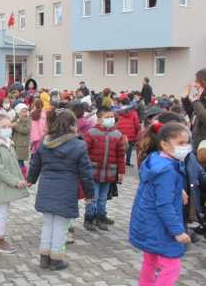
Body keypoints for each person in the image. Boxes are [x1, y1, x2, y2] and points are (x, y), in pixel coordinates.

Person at [27, 109, 94, 271]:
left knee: (48, 224)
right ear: (72, 125)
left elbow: (35, 163)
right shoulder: (79, 145)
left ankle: (44, 258)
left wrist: (30, 179)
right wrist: (89, 193)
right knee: (61, 227)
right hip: (66, 190)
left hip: (47, 188)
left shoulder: (45, 141)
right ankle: (56, 259)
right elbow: (86, 173)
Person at [129, 122, 192, 285]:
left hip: (148, 223)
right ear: (164, 144)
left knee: (150, 262)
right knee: (171, 267)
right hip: (161, 228)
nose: (186, 147)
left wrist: (177, 190)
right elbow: (164, 205)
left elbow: (158, 189)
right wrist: (177, 231)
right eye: (181, 143)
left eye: (187, 143)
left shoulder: (156, 159)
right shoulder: (168, 170)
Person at [0, 114, 29, 254]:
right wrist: (15, 181)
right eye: (3, 127)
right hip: (0, 183)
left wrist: (21, 178)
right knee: (2, 211)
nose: (7, 129)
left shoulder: (8, 143)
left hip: (6, 183)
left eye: (9, 126)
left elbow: (13, 165)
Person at [82, 109, 127, 231]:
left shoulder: (117, 134)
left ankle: (100, 217)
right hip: (93, 172)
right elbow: (84, 153)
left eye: (112, 117)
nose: (110, 119)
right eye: (107, 117)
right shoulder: (91, 133)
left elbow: (120, 155)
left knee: (103, 197)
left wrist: (121, 171)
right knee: (93, 197)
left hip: (109, 172)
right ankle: (89, 218)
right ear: (99, 119)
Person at [181, 69, 206, 153]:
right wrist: (185, 99)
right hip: (196, 145)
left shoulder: (198, 100)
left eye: (198, 82)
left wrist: (195, 100)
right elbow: (192, 115)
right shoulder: (201, 99)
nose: (195, 85)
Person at [116, 96, 140, 167]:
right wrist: (137, 132)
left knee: (120, 147)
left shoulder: (118, 111)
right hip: (131, 133)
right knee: (129, 148)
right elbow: (136, 124)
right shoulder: (133, 112)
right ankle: (127, 162)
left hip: (120, 133)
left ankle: (120, 161)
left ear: (121, 103)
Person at [12, 103, 31, 171]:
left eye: (25, 111)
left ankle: (21, 176)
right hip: (15, 143)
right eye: (23, 111)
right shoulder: (16, 119)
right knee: (18, 162)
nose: (24, 113)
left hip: (22, 144)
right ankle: (22, 174)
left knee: (19, 162)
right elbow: (11, 126)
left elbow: (26, 130)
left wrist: (16, 125)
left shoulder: (28, 119)